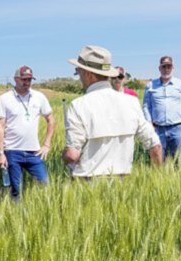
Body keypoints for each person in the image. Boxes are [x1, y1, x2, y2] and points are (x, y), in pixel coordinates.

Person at [64, 45, 163, 178]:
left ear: (88, 74)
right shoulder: (131, 102)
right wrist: (157, 180)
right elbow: (155, 146)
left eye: (78, 71)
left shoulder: (78, 105)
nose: (79, 76)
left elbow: (72, 155)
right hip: (123, 186)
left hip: (88, 184)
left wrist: (64, 155)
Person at [0, 66, 55, 199]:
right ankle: (17, 215)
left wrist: (47, 145)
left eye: (29, 80)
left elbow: (51, 120)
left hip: (34, 151)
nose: (27, 82)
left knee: (45, 184)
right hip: (12, 151)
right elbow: (0, 126)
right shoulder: (4, 99)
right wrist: (1, 153)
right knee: (16, 190)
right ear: (16, 79)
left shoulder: (39, 97)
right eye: (24, 79)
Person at [142, 55, 181, 159]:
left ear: (173, 68)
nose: (166, 69)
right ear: (159, 68)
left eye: (169, 66)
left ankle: (177, 175)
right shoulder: (151, 85)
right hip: (158, 128)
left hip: (177, 128)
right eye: (164, 66)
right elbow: (146, 105)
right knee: (159, 159)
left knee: (178, 159)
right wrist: (149, 122)